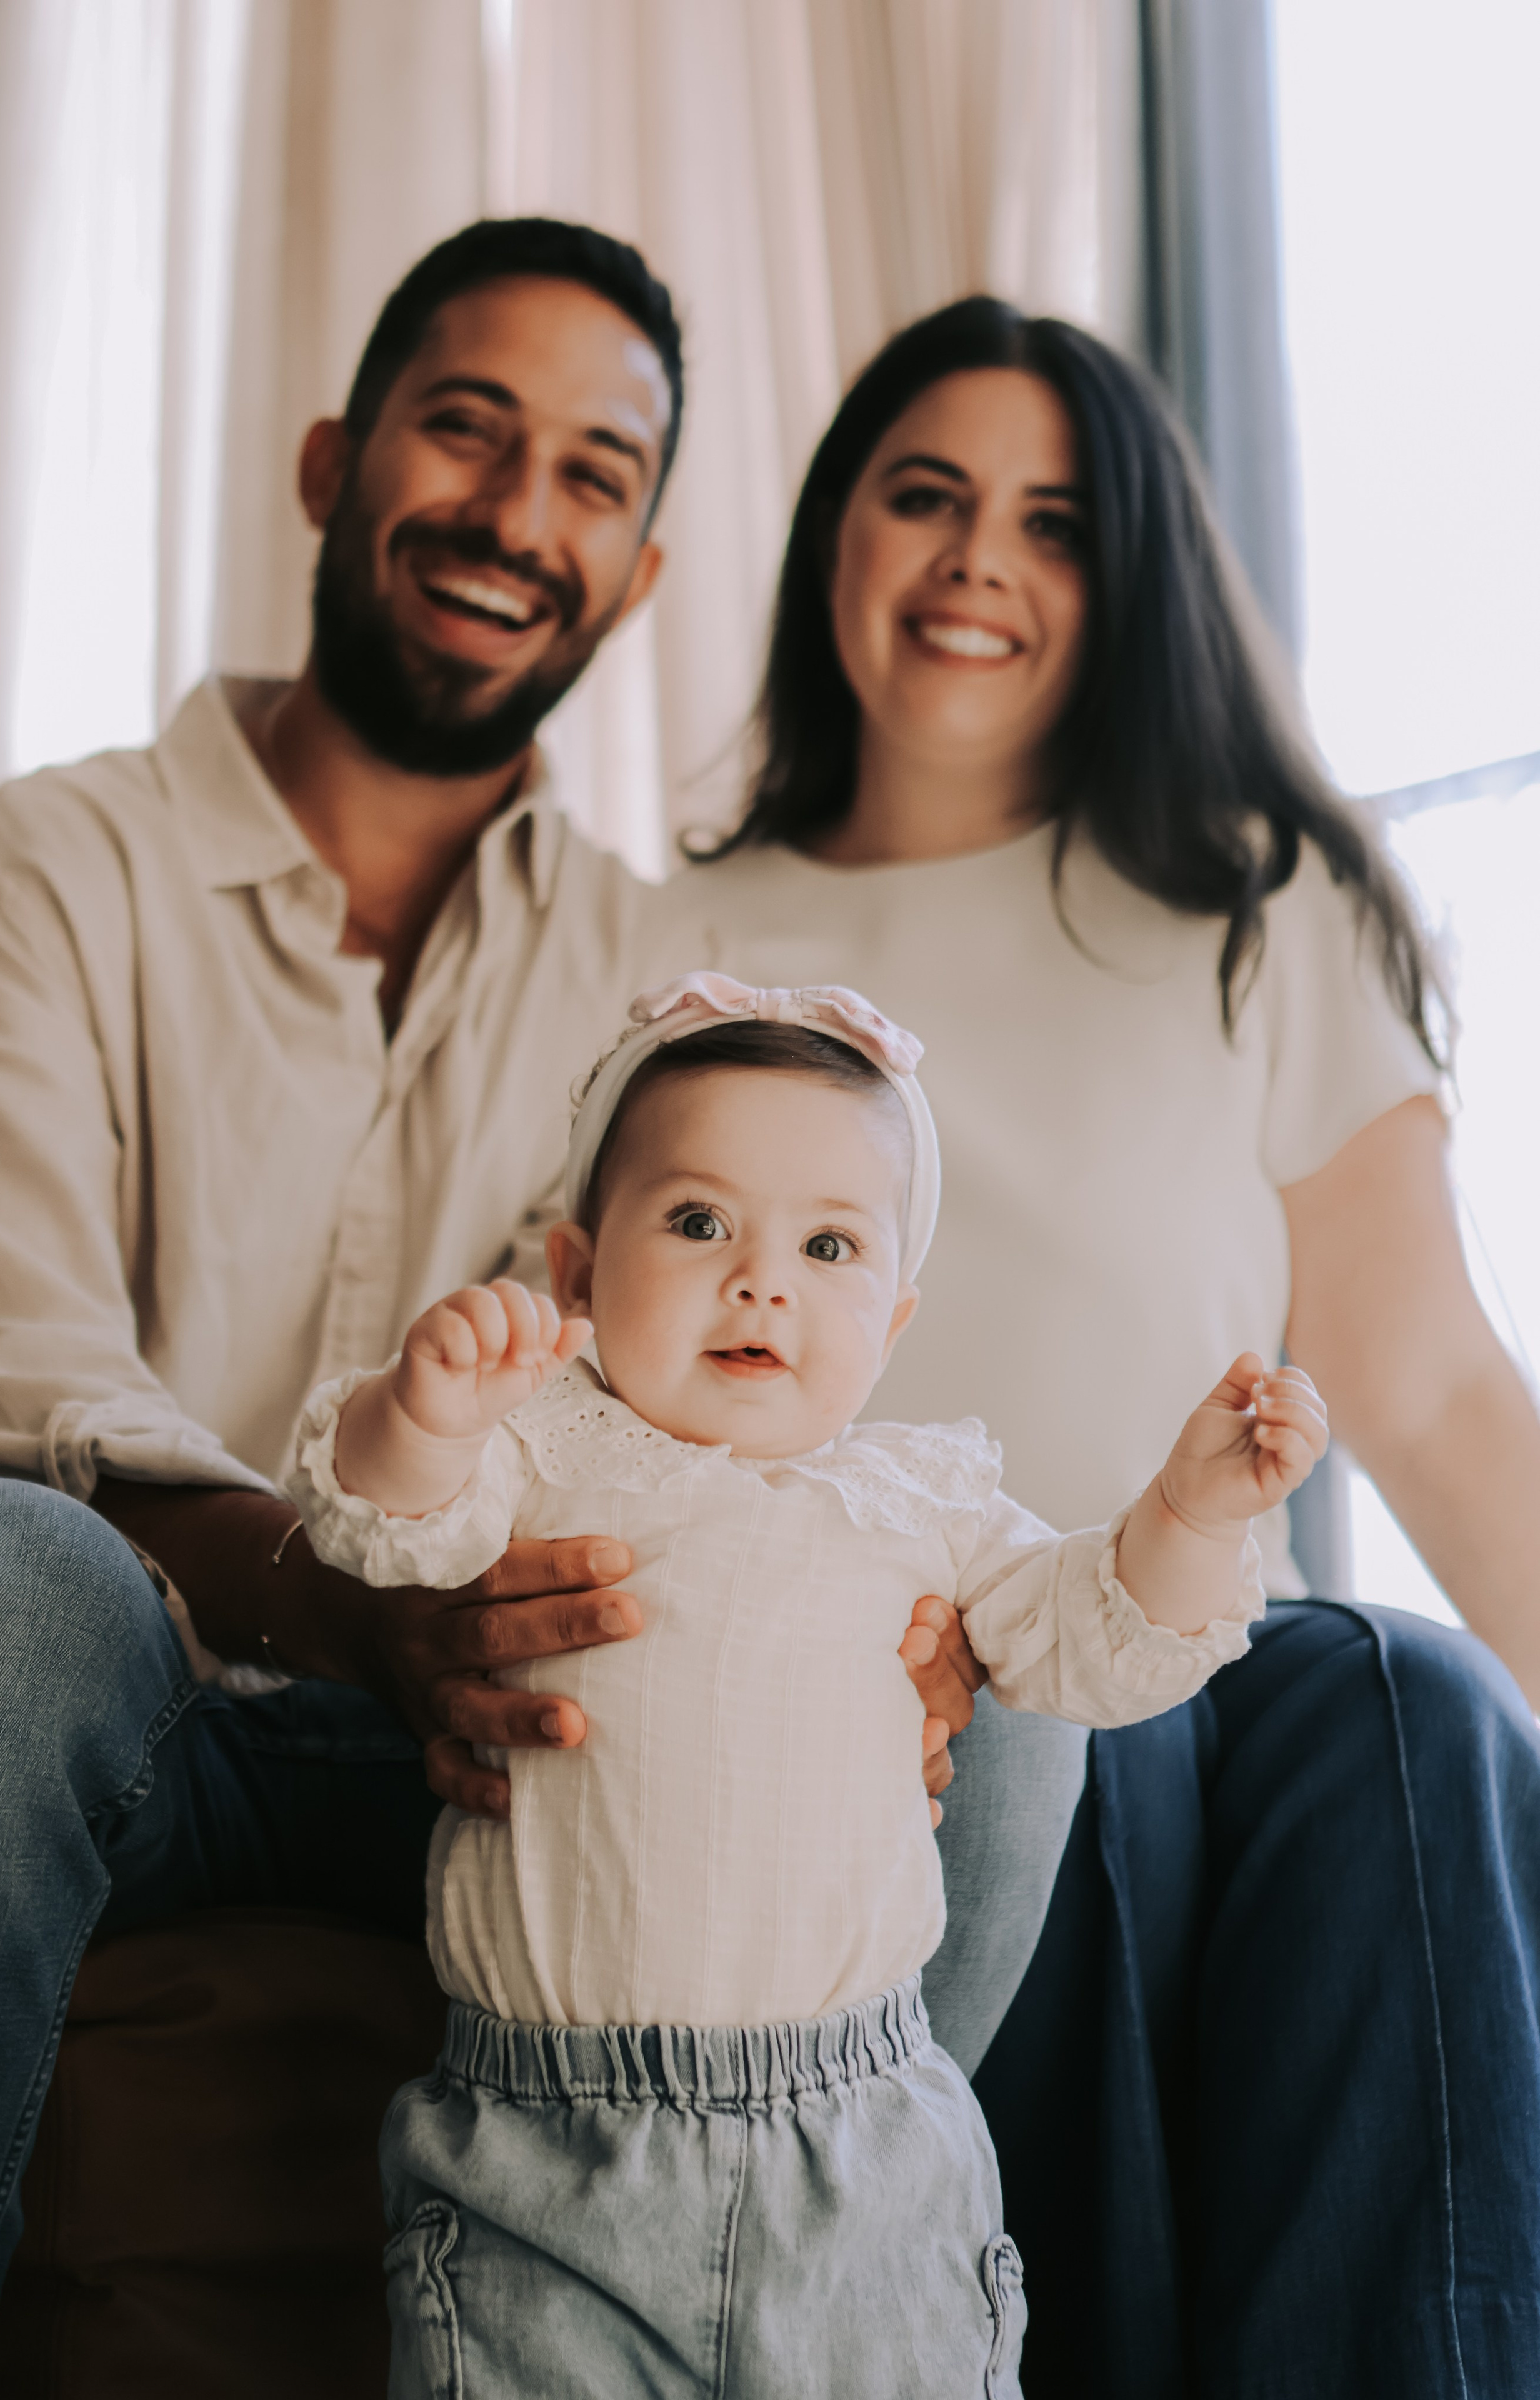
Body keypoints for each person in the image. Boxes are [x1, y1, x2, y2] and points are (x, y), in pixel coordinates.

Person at [0, 217, 977, 2394]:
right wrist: (348, 1597)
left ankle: (832, 2317)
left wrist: (896, 1627)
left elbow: (676, 1415)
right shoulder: (40, 873)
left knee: (1031, 1694)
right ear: (334, 464)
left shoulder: (657, 991)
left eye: (596, 474)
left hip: (524, 1739)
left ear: (644, 570)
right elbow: (5, 1371)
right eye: (468, 433)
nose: (521, 516)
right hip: (153, 1713)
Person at [651, 298, 1540, 2396]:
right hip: (877, 1709)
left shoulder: (1260, 908)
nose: (981, 559)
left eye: (1054, 522)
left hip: (1211, 1672)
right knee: (1044, 1728)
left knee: (1404, 1693)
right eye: (927, 498)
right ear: (835, 543)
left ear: (1125, 582)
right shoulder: (664, 943)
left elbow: (1426, 1392)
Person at [289, 971, 1326, 2398]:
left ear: (892, 1321)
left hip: (865, 2151)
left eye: (828, 1245)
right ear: (577, 1273)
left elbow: (1094, 1642)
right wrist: (417, 1413)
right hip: (545, 2155)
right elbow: (382, 1528)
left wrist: (1192, 1519)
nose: (761, 1280)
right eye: (699, 1222)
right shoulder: (538, 1447)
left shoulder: (925, 1495)